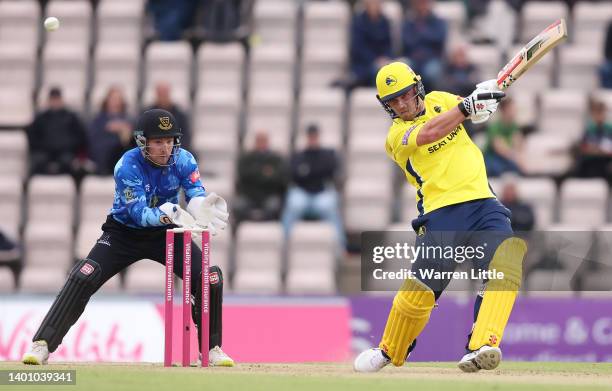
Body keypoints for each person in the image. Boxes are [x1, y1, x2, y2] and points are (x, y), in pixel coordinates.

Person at [22, 109, 234, 367]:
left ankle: (211, 349)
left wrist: (200, 206)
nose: (165, 148)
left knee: (210, 277)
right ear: (143, 141)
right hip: (124, 233)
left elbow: (194, 192)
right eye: (158, 141)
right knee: (84, 275)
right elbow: (139, 213)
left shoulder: (185, 160)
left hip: (167, 232)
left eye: (169, 141)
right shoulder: (127, 165)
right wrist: (169, 213)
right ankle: (42, 343)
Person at [353, 62, 526, 373]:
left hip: (484, 204)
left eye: (405, 95)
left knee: (506, 263)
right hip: (441, 212)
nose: (402, 105)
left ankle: (483, 344)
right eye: (393, 101)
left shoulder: (441, 100)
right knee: (420, 293)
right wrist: (467, 106)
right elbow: (432, 131)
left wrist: (483, 102)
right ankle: (388, 350)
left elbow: (466, 109)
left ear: (417, 88)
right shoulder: (396, 136)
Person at [281, 124, 346, 250]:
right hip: (302, 192)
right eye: (310, 136)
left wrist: (307, 172)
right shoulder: (299, 155)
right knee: (294, 206)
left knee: (329, 208)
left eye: (314, 136)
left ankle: (340, 248)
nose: (312, 139)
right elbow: (293, 174)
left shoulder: (328, 154)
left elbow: (330, 172)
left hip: (322, 191)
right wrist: (313, 172)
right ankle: (284, 246)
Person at [26, 87, 89, 178]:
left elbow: (80, 136)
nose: (55, 102)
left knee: (69, 163)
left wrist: (69, 146)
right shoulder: (41, 118)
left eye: (57, 99)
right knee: (37, 162)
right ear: (49, 100)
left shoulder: (71, 117)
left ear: (61, 100)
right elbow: (32, 136)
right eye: (53, 99)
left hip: (66, 152)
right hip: (44, 152)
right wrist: (42, 146)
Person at [234, 131, 288, 224]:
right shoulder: (246, 158)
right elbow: (244, 176)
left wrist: (256, 173)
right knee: (238, 207)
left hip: (269, 194)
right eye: (259, 140)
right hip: (249, 195)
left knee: (275, 207)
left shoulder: (275, 158)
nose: (261, 143)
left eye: (264, 140)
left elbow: (279, 178)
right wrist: (265, 173)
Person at [400, 0, 447, 90]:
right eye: (420, 3)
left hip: (431, 58)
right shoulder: (408, 22)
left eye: (425, 3)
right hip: (413, 58)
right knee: (403, 68)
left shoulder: (439, 22)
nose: (422, 6)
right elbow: (407, 41)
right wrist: (426, 35)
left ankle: (431, 98)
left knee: (432, 72)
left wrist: (420, 33)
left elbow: (438, 38)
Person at [89, 86, 135, 175]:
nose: (115, 102)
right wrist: (108, 129)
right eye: (113, 98)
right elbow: (94, 141)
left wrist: (127, 131)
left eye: (118, 99)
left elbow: (136, 139)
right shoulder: (98, 120)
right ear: (107, 100)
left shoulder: (130, 119)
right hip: (105, 159)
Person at [348, 0, 393, 88]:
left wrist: (386, 58)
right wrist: (375, 60)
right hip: (363, 64)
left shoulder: (385, 21)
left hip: (383, 62)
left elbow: (388, 45)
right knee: (377, 72)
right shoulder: (358, 22)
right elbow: (357, 49)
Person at [482, 98, 524, 177]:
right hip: (493, 158)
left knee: (517, 170)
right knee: (497, 170)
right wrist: (515, 157)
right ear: (504, 110)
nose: (515, 111)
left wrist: (519, 158)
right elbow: (499, 148)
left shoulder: (514, 126)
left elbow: (518, 143)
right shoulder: (495, 127)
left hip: (508, 158)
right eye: (512, 109)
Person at [573, 99, 612, 181]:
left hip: (606, 162)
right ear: (593, 114)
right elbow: (583, 147)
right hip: (590, 161)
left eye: (601, 112)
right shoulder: (588, 129)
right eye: (596, 113)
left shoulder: (609, 129)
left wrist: (602, 151)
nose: (598, 116)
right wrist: (592, 150)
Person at [147, 82, 191, 151]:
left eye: (165, 93)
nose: (163, 96)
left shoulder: (180, 115)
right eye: (161, 94)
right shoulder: (147, 114)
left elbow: (186, 137)